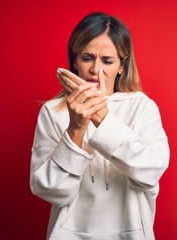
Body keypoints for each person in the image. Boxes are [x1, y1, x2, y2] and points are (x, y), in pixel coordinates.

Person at [30, 12, 169, 240]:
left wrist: (101, 117)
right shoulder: (52, 112)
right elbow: (52, 190)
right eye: (87, 58)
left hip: (132, 234)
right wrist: (76, 128)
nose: (96, 70)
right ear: (74, 60)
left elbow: (150, 172)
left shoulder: (142, 107)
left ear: (122, 66)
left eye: (107, 60)